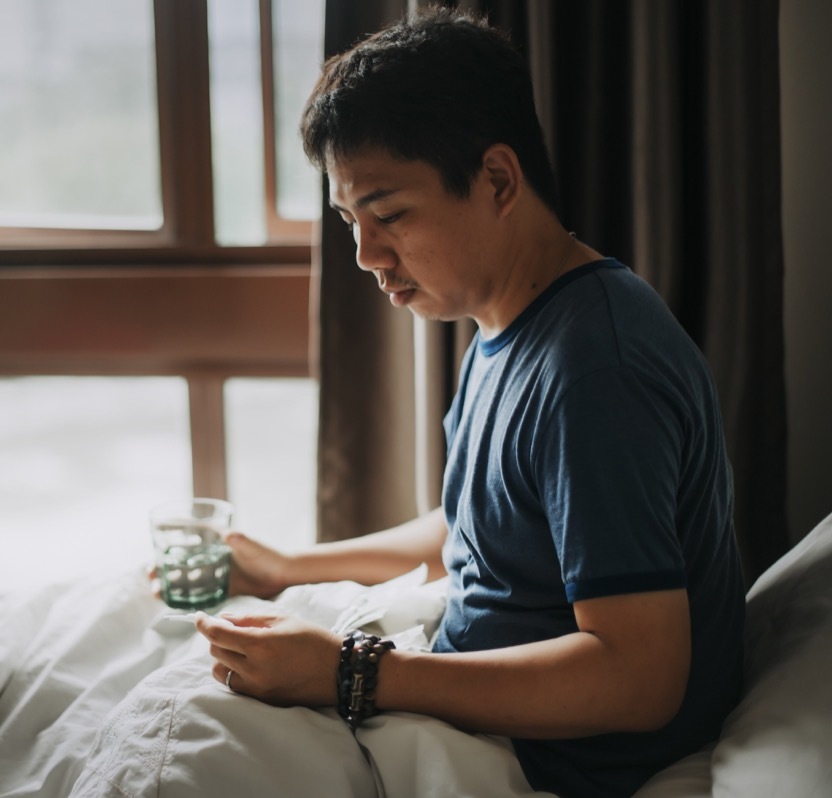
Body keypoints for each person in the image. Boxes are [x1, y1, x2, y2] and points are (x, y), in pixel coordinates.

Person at [190, 7, 745, 798]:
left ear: (497, 180)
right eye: (350, 221)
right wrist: (285, 567)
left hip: (550, 760)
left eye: (389, 216)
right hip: (466, 705)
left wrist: (354, 672)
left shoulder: (597, 370)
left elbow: (640, 677)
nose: (366, 257)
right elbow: (484, 524)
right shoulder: (507, 322)